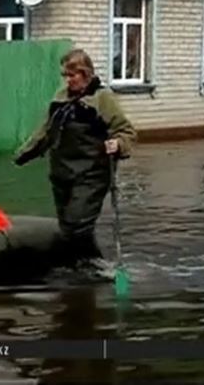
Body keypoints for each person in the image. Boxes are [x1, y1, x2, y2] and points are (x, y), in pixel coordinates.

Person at [14, 48, 136, 259]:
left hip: (91, 175)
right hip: (62, 173)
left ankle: (89, 268)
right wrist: (23, 154)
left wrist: (117, 144)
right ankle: (89, 268)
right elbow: (45, 131)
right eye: (65, 76)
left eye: (72, 75)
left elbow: (126, 131)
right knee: (70, 229)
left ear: (85, 74)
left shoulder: (102, 99)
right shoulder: (60, 99)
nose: (68, 80)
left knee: (76, 225)